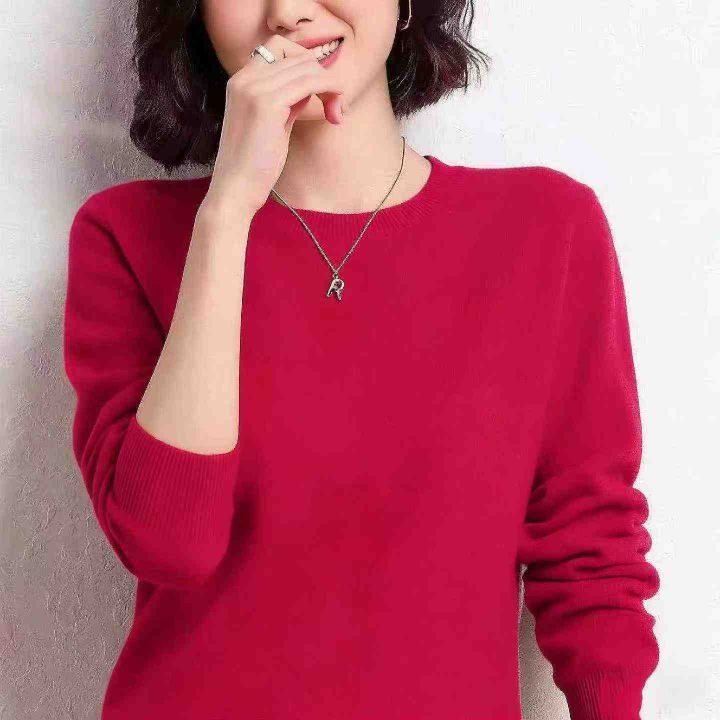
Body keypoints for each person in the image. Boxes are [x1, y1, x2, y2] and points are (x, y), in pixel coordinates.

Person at [63, 1, 661, 718]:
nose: (288, 11)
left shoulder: (546, 230)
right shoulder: (126, 236)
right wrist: (226, 212)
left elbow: (590, 548)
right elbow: (170, 544)